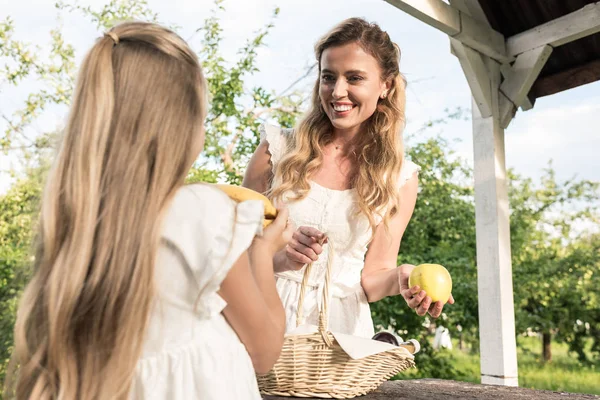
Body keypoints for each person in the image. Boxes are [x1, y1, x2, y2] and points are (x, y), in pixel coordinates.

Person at [6, 21, 292, 400]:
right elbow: (264, 350)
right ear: (179, 125)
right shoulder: (200, 213)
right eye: (201, 117)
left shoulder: (76, 225)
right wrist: (261, 253)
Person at [243, 18, 454, 338]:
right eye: (329, 77)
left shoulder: (398, 178)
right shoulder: (277, 150)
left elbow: (371, 278)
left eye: (354, 78)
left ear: (386, 85)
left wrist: (401, 277)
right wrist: (282, 258)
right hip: (260, 319)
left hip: (341, 333)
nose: (337, 91)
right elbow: (234, 252)